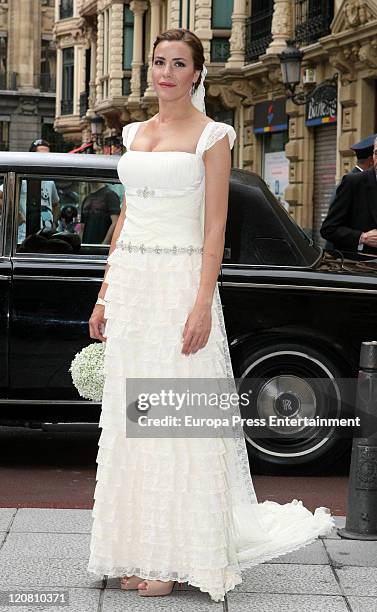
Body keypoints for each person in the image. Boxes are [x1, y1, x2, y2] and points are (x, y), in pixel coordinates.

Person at [86, 28, 335, 602]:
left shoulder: (213, 136)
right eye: (158, 62)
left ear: (198, 74)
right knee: (133, 423)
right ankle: (135, 545)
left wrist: (202, 303)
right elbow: (126, 222)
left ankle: (175, 556)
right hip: (135, 288)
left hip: (179, 284)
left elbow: (215, 228)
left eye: (178, 63)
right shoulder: (134, 133)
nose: (165, 72)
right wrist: (104, 294)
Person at [321, 135, 377, 255]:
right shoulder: (352, 182)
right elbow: (328, 229)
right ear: (372, 157)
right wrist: (363, 238)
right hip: (361, 268)